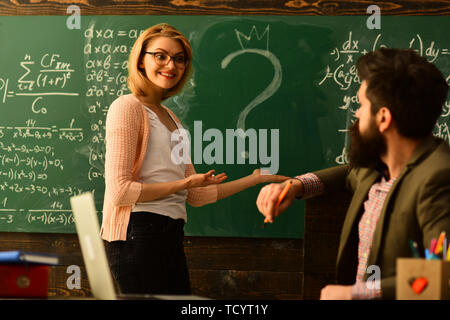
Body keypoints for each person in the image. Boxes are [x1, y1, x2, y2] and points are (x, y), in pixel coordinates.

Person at [100, 23, 287, 295]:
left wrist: (254, 179)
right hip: (137, 234)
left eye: (179, 59)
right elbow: (120, 192)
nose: (171, 65)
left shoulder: (173, 120)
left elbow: (196, 196)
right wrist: (183, 183)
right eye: (160, 55)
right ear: (141, 60)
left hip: (170, 235)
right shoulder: (127, 107)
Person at [256, 48, 450, 300]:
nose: (356, 114)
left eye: (361, 105)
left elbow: (442, 276)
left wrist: (355, 294)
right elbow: (350, 172)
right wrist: (296, 185)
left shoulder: (438, 179)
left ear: (383, 118)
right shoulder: (379, 167)